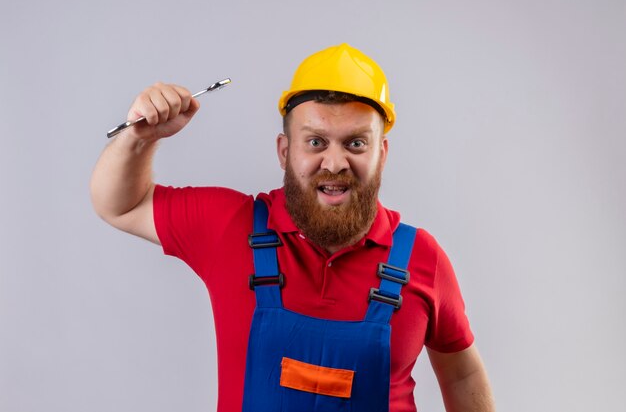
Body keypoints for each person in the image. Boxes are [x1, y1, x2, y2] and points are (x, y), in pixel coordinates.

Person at [90, 43, 495, 412]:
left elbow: (462, 374)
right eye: (316, 142)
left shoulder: (422, 259)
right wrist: (139, 139)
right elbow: (122, 205)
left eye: (355, 143)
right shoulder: (230, 228)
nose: (335, 163)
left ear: (381, 154)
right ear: (285, 151)